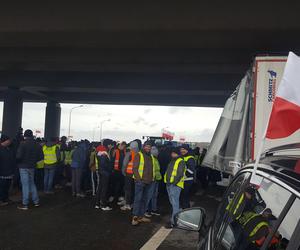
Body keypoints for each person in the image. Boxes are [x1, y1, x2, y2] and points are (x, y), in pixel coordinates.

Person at [16, 129, 44, 210]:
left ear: (25, 135)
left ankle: (25, 204)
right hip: (32, 166)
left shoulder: (23, 144)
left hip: (23, 167)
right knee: (32, 183)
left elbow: (19, 156)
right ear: (32, 135)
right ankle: (36, 202)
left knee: (25, 185)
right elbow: (41, 157)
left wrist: (18, 162)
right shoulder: (37, 144)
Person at [131, 141, 155, 226]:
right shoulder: (139, 155)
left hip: (149, 181)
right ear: (143, 147)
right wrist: (139, 180)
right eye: (146, 146)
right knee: (138, 199)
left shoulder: (151, 156)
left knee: (145, 200)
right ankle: (135, 217)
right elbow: (134, 168)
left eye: (149, 147)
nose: (148, 148)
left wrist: (152, 179)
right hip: (140, 182)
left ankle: (141, 216)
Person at [164, 147, 186, 228]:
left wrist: (173, 183)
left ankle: (174, 222)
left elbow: (179, 174)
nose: (172, 154)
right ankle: (179, 215)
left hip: (175, 185)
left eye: (173, 153)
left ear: (177, 153)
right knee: (174, 203)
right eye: (172, 153)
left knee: (175, 203)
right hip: (170, 184)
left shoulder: (180, 161)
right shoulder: (173, 160)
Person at [95, 139, 114, 211]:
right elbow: (104, 164)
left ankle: (97, 203)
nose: (111, 146)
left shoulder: (100, 152)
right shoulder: (103, 153)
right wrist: (109, 169)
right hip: (105, 173)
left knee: (100, 188)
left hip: (101, 172)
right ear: (107, 144)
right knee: (104, 189)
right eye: (110, 144)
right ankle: (103, 205)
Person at [120, 141, 139, 211]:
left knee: (128, 189)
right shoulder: (139, 154)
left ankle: (127, 204)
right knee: (134, 189)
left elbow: (125, 164)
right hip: (136, 174)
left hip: (128, 174)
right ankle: (132, 204)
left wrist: (123, 171)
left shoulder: (129, 153)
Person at [145, 146, 162, 217]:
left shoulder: (155, 158)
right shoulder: (151, 159)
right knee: (149, 195)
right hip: (152, 179)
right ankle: (145, 210)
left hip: (156, 179)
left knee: (154, 195)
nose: (157, 153)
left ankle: (153, 209)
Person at [0, 135, 16, 206]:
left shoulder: (8, 148)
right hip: (2, 172)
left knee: (7, 187)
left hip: (9, 171)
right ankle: (1, 199)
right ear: (4, 140)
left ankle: (5, 198)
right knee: (2, 187)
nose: (10, 141)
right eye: (8, 140)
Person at [180, 144, 196, 209]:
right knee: (182, 196)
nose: (182, 150)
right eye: (181, 149)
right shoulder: (181, 157)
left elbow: (192, 171)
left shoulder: (190, 158)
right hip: (182, 180)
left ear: (187, 150)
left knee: (185, 196)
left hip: (187, 180)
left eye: (184, 149)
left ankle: (186, 209)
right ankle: (183, 208)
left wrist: (185, 167)